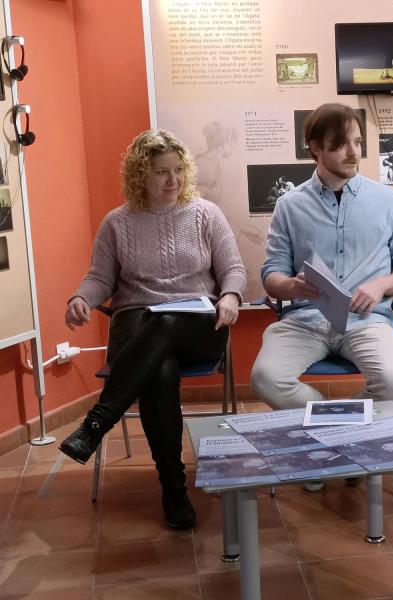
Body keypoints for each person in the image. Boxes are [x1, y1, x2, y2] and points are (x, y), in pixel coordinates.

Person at [59, 129, 246, 529]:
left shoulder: (206, 214)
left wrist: (230, 296)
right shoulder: (117, 223)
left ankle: (98, 421)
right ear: (140, 174)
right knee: (159, 371)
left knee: (168, 321)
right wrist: (81, 298)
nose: (173, 180)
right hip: (138, 322)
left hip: (199, 325)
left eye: (178, 170)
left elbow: (233, 268)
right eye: (161, 171)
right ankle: (173, 488)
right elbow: (99, 277)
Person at [250, 102, 393, 412]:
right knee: (265, 378)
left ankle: (337, 422)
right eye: (341, 144)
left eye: (357, 142)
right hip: (304, 320)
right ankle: (339, 420)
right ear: (316, 148)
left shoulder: (388, 200)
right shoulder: (289, 205)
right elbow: (272, 275)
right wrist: (291, 286)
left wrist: (381, 285)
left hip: (367, 321)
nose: (353, 152)